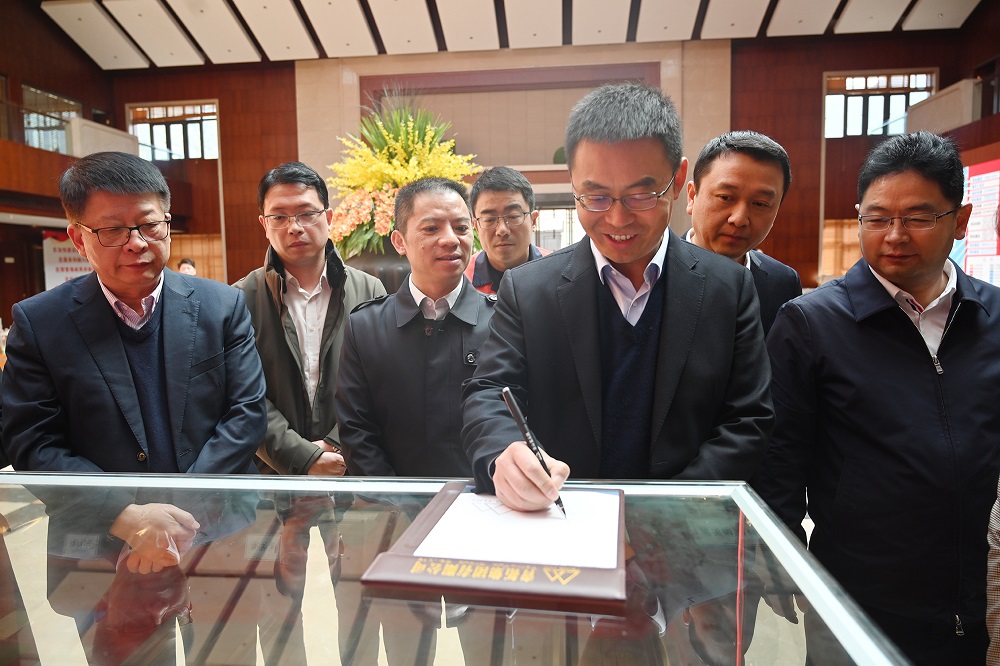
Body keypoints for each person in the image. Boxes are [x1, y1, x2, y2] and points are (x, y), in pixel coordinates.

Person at [462, 82, 773, 512]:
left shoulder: (728, 288)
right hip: (564, 519)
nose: (617, 218)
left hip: (684, 525)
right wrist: (504, 452)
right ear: (573, 183)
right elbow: (489, 393)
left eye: (641, 195)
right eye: (595, 196)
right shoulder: (529, 289)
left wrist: (669, 510)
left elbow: (748, 418)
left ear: (678, 180)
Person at [752, 131, 1000, 664]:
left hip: (971, 593)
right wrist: (783, 563)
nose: (895, 235)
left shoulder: (992, 316)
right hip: (855, 597)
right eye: (877, 217)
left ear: (960, 220)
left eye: (918, 217)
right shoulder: (812, 322)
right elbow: (779, 458)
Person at [0, 150, 267, 563]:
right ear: (78, 238)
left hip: (217, 531)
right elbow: (33, 442)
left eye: (149, 225)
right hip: (101, 547)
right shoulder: (40, 323)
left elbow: (246, 413)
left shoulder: (222, 306)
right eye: (113, 230)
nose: (137, 243)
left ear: (167, 223)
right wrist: (126, 516)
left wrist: (179, 512)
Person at [336, 177, 495, 477]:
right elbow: (357, 429)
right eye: (431, 228)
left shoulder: (500, 323)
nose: (451, 239)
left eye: (461, 228)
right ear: (399, 242)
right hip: (393, 502)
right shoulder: (366, 327)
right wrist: (394, 498)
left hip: (482, 497)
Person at [235, 162, 386, 477]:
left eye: (306, 213)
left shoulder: (370, 290)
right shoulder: (239, 299)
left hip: (350, 472)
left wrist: (333, 445)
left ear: (328, 218)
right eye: (279, 217)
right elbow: (242, 396)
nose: (294, 227)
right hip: (273, 478)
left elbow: (381, 384)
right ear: (264, 224)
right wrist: (303, 459)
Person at [685, 130, 802, 334]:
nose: (739, 219)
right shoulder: (652, 274)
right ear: (692, 197)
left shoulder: (783, 283)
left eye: (760, 204)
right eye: (725, 197)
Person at [465, 165, 550, 294]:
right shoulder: (461, 281)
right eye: (489, 219)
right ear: (475, 226)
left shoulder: (559, 273)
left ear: (533, 221)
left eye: (513, 217)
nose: (502, 230)